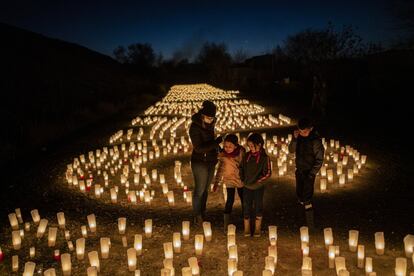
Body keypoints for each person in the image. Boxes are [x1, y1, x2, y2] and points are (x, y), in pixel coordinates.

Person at [189, 100, 222, 225]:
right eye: (208, 117)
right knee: (199, 190)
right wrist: (215, 143)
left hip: (210, 161)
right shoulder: (194, 127)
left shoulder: (210, 125)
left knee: (206, 189)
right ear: (202, 115)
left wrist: (219, 149)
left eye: (212, 118)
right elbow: (198, 148)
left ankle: (202, 212)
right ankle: (197, 215)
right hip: (200, 162)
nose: (211, 120)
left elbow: (211, 142)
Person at [288, 118, 325, 211]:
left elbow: (319, 159)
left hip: (309, 172)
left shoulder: (315, 141)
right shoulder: (298, 138)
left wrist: (312, 173)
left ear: (311, 128)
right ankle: (301, 216)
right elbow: (291, 150)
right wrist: (294, 139)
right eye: (300, 131)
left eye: (304, 131)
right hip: (299, 170)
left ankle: (309, 218)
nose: (302, 133)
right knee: (299, 194)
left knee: (307, 196)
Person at [240, 133, 272, 237]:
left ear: (259, 145)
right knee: (246, 206)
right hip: (246, 187)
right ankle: (247, 228)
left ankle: (257, 228)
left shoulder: (264, 158)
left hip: (258, 187)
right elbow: (241, 168)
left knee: (258, 206)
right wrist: (242, 178)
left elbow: (268, 173)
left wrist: (258, 181)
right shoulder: (247, 156)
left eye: (252, 146)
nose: (251, 148)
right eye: (249, 146)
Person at [212, 134, 245, 231]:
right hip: (229, 180)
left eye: (230, 146)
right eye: (225, 146)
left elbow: (245, 166)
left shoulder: (241, 153)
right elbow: (220, 169)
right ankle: (226, 223)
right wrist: (216, 182)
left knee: (244, 200)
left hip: (240, 180)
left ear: (236, 145)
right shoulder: (223, 156)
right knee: (229, 200)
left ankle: (246, 221)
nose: (227, 148)